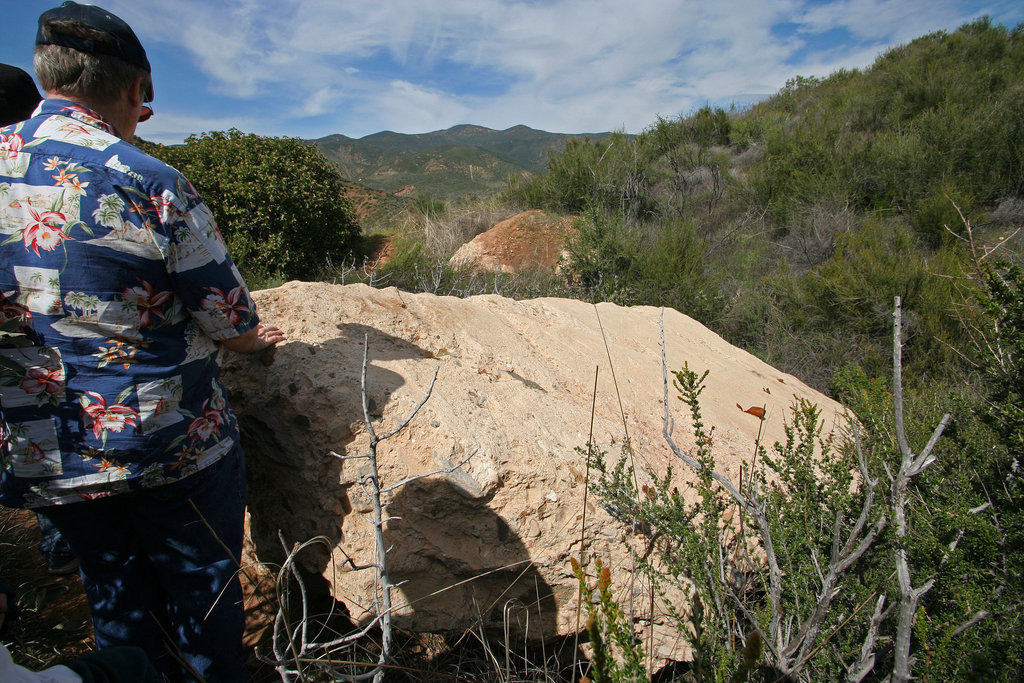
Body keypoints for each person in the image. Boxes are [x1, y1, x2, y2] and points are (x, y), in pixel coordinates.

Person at [0, 3, 285, 681]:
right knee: (205, 593)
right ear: (133, 90)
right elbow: (227, 316)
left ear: (48, 74)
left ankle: (133, 667)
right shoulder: (148, 180)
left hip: (50, 450)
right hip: (169, 444)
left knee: (115, 594)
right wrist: (257, 344)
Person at [0, 63, 79, 578]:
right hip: (53, 349)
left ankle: (60, 551)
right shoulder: (70, 169)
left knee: (32, 439)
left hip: (14, 358)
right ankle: (65, 547)